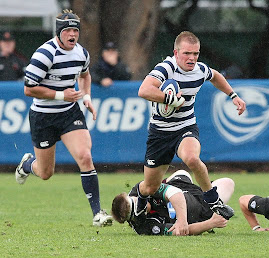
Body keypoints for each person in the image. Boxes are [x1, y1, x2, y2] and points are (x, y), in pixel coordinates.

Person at [135, 31, 246, 232]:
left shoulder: (200, 70)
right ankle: (140, 198)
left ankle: (213, 201)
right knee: (150, 187)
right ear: (176, 52)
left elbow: (216, 76)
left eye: (196, 53)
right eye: (187, 53)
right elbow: (143, 90)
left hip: (185, 127)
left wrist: (233, 95)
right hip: (159, 134)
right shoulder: (166, 68)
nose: (192, 58)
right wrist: (169, 99)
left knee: (192, 159)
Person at [15, 9, 113, 227]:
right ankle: (28, 165)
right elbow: (29, 89)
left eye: (75, 30)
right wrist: (61, 94)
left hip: (69, 113)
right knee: (46, 173)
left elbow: (85, 75)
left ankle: (98, 213)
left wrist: (86, 96)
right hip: (42, 117)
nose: (72, 34)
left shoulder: (81, 54)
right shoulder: (45, 54)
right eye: (67, 30)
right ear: (59, 32)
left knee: (85, 157)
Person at [111, 170, 234, 236]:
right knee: (228, 183)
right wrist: (210, 224)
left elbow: (175, 193)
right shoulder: (145, 227)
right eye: (138, 207)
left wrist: (181, 219)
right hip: (200, 209)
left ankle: (201, 190)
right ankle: (209, 201)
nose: (142, 202)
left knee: (182, 173)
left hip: (183, 190)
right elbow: (181, 231)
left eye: (137, 200)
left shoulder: (139, 190)